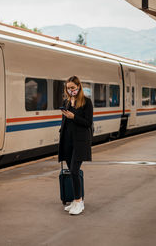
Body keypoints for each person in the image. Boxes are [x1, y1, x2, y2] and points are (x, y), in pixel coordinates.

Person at [58, 75, 93, 215]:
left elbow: (88, 123)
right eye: (68, 88)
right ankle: (75, 200)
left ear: (78, 87)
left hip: (80, 142)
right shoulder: (66, 102)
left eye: (72, 87)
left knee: (74, 170)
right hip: (67, 141)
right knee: (72, 171)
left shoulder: (86, 102)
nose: (70, 90)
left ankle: (79, 201)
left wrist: (74, 117)